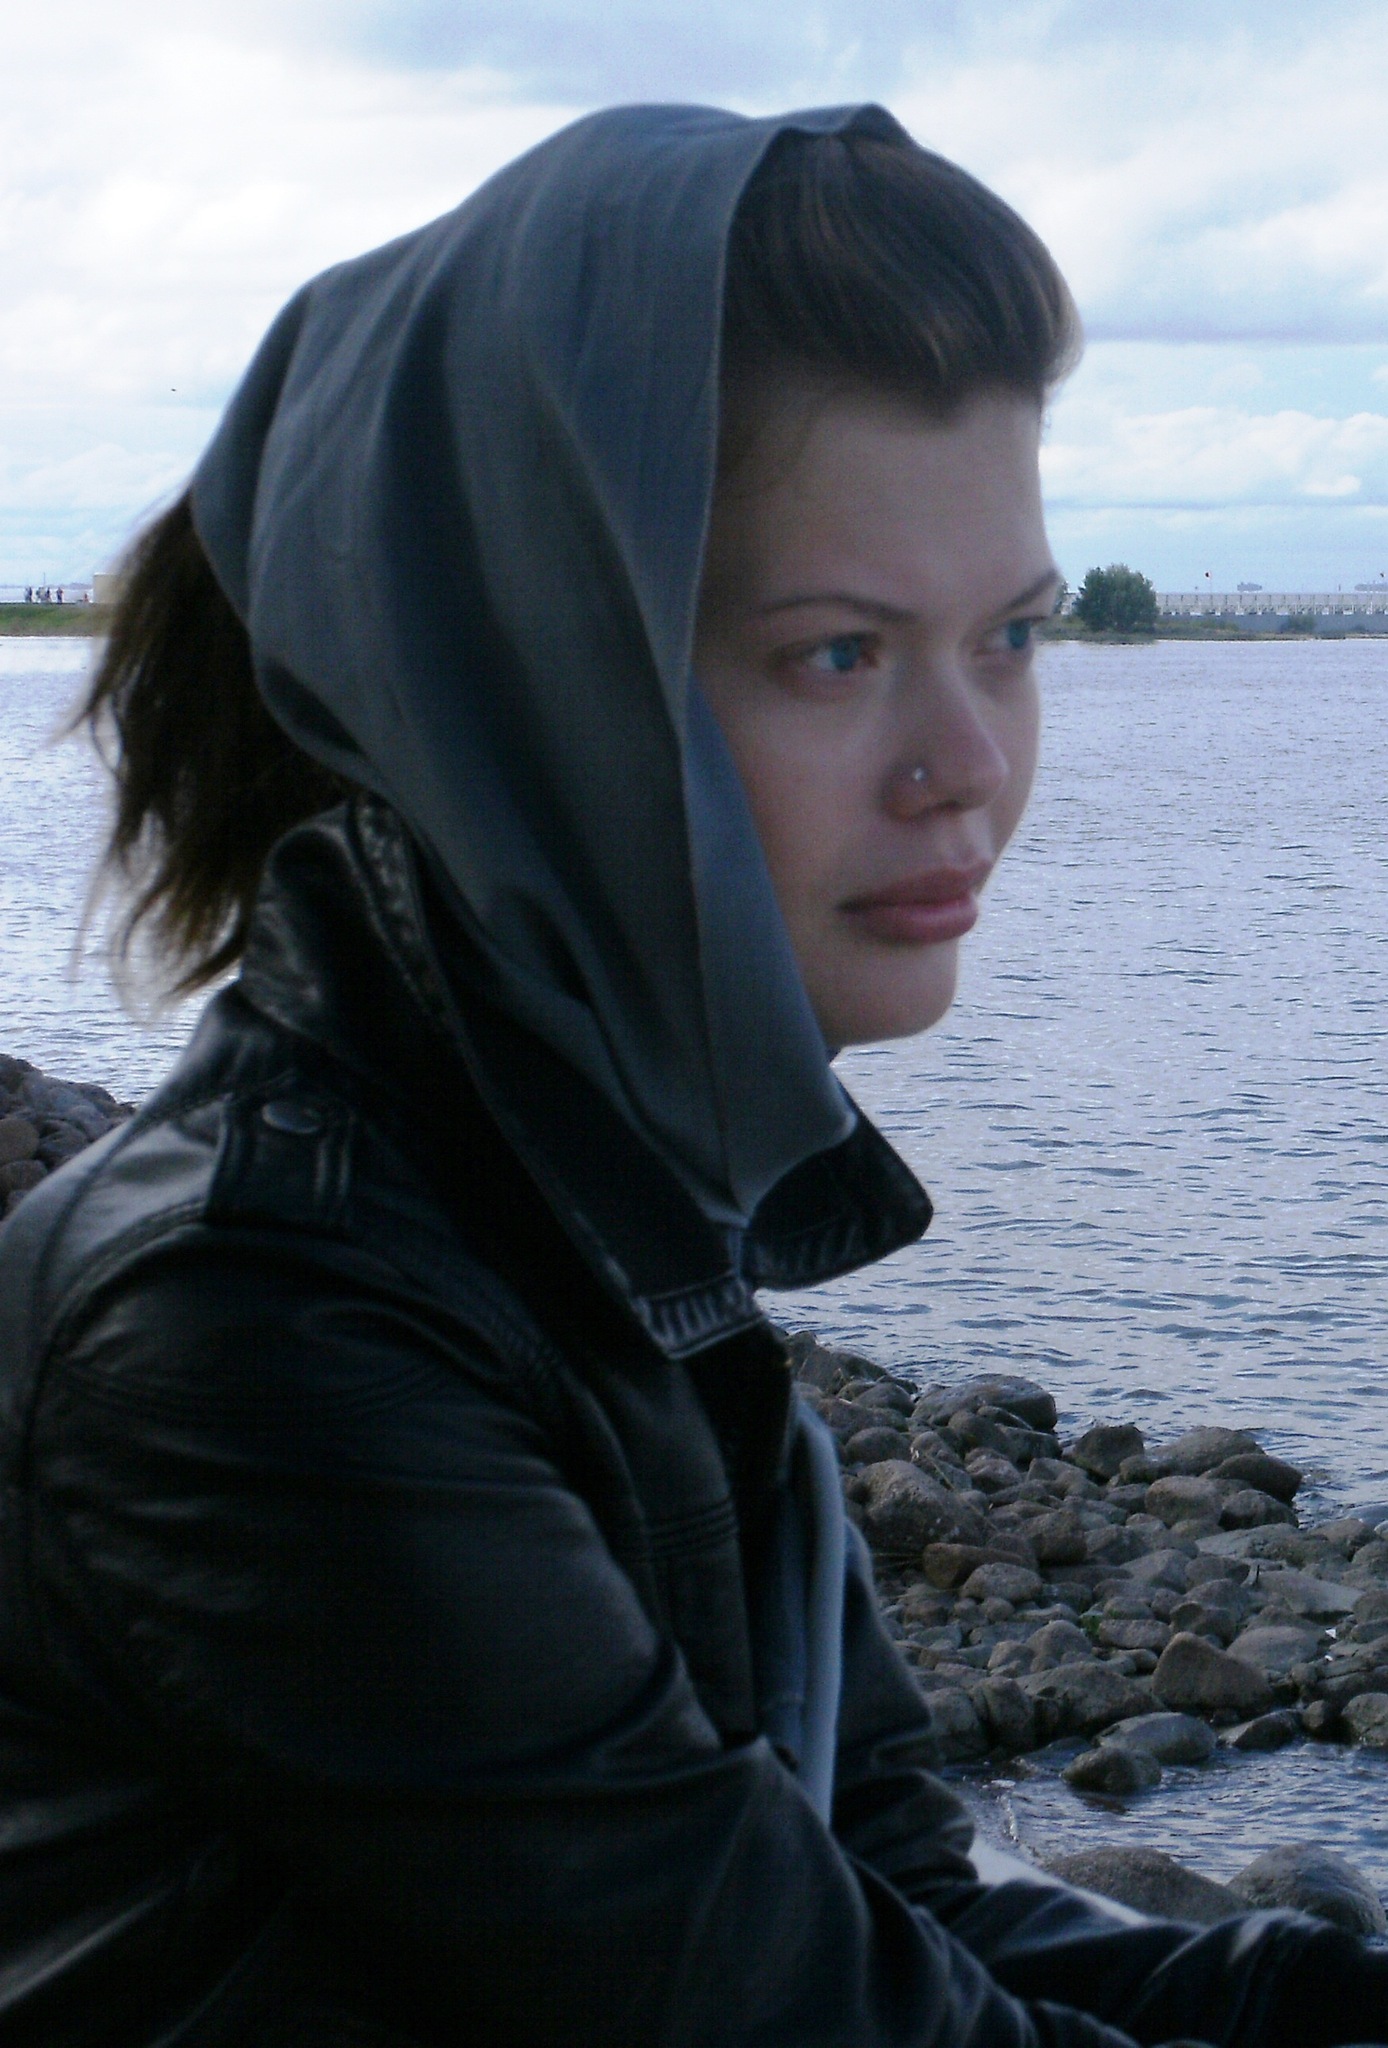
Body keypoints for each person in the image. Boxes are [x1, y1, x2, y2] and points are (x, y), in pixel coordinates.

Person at [0, 100, 1382, 2048]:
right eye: (838, 655)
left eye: (1009, 636)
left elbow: (896, 1901)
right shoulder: (258, 1323)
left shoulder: (613, 1216)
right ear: (535, 675)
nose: (971, 764)